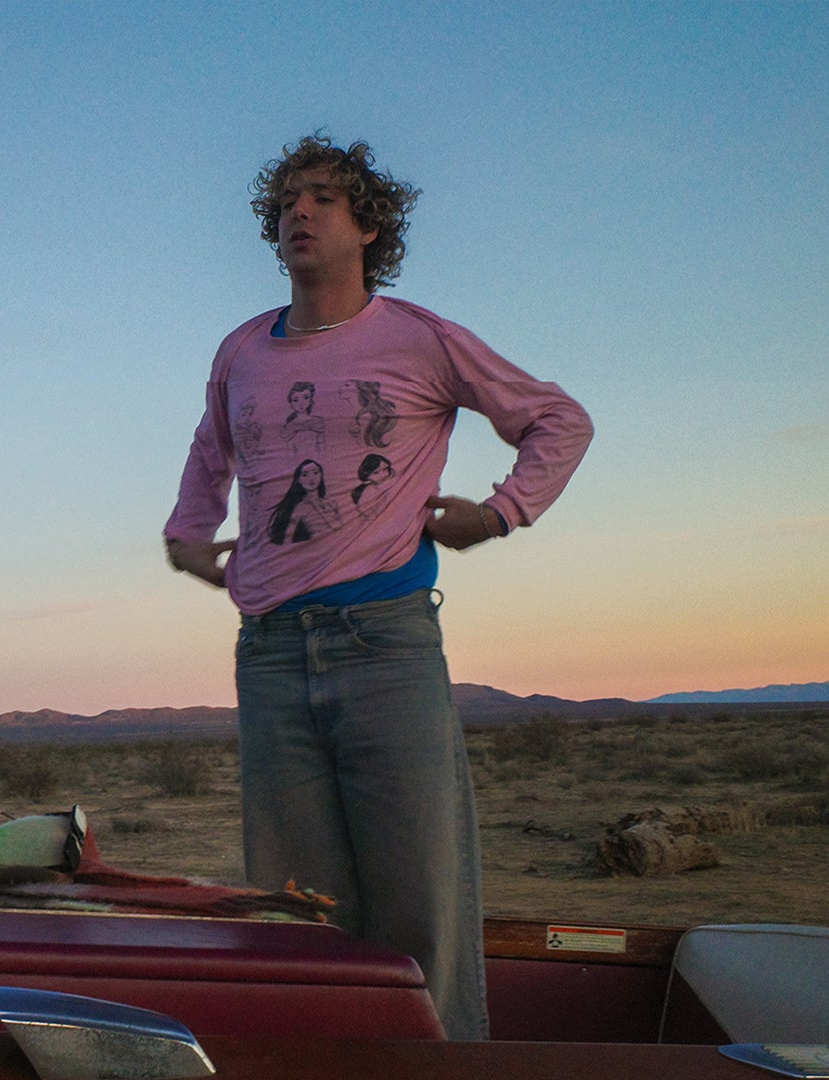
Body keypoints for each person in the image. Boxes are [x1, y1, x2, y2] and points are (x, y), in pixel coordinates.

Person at [162, 135, 592, 1040]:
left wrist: (501, 513)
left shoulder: (419, 338)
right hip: (270, 655)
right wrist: (189, 534)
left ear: (368, 227)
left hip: (384, 648)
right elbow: (211, 449)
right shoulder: (242, 350)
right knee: (298, 914)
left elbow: (558, 419)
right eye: (288, 199)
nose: (300, 211)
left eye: (324, 197)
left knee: (419, 908)